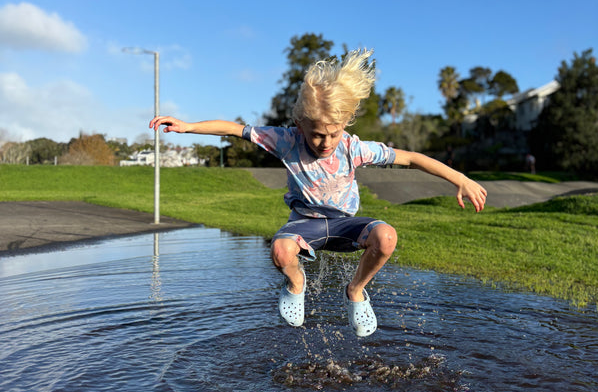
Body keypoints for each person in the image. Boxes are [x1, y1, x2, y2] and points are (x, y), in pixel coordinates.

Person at [149, 49, 487, 337]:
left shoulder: (354, 148)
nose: (324, 143)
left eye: (333, 134)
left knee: (386, 237)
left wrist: (459, 178)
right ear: (300, 124)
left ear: (345, 124)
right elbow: (235, 129)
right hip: (305, 225)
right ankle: (297, 285)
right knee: (280, 252)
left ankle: (356, 290)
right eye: (315, 135)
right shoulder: (286, 140)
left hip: (345, 226)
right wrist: (189, 126)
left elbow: (411, 158)